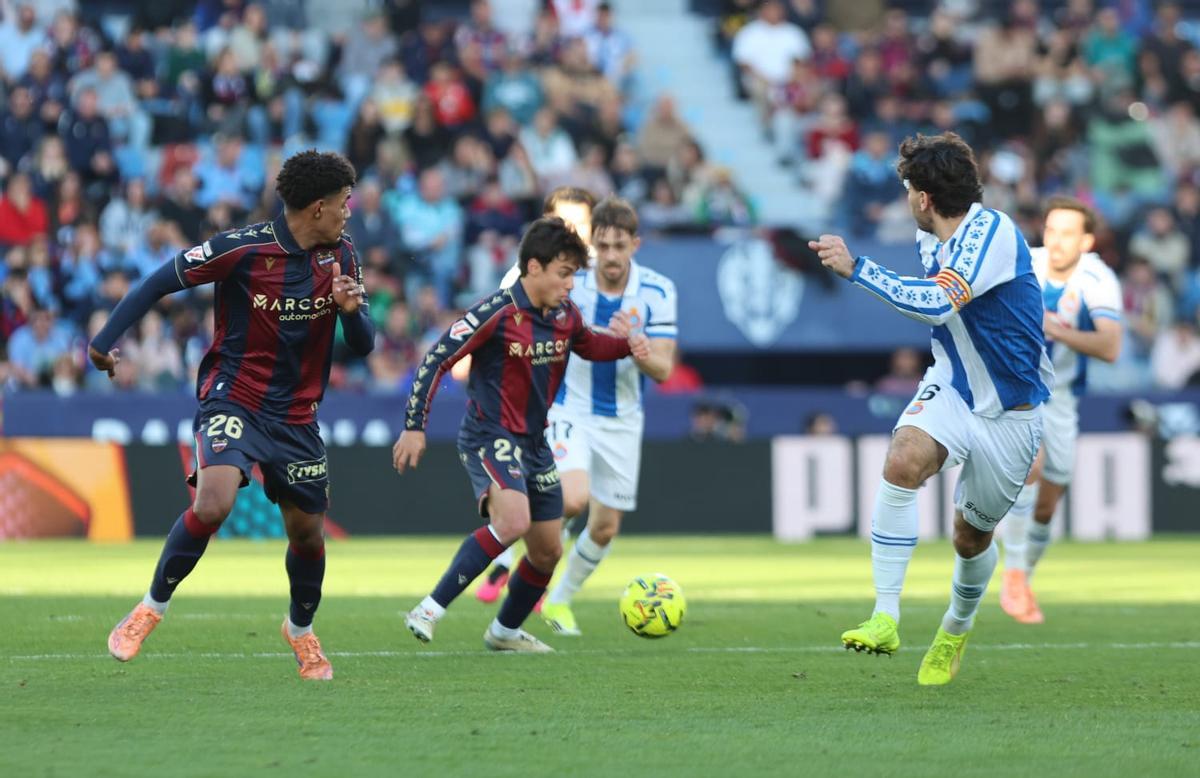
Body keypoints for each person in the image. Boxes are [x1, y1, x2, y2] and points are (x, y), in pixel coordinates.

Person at [90, 151, 374, 680]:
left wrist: (352, 313)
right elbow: (158, 282)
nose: (348, 213)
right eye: (343, 204)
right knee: (215, 501)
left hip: (297, 416)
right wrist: (103, 342)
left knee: (308, 536)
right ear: (317, 207)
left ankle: (301, 631)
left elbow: (363, 345)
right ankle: (150, 607)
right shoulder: (241, 250)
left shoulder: (342, 257)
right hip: (234, 397)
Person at [809, 132, 1051, 686]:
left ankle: (954, 628)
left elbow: (939, 301)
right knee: (902, 461)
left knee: (970, 537)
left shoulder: (990, 233)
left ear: (922, 198)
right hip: (953, 385)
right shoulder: (931, 240)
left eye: (907, 189)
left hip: (1011, 412)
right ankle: (885, 616)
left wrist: (857, 269)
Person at [393, 217, 651, 652]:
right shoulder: (495, 312)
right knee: (513, 522)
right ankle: (429, 608)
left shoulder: (565, 316)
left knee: (548, 551)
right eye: (564, 274)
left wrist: (627, 344)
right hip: (488, 435)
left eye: (573, 275)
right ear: (534, 267)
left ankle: (505, 632)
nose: (571, 285)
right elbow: (437, 357)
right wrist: (414, 426)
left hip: (534, 442)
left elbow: (590, 345)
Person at [534, 197, 677, 636]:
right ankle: (523, 573)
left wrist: (635, 342)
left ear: (636, 244)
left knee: (605, 526)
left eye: (620, 245)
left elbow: (664, 368)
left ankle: (558, 602)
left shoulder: (658, 290)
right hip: (568, 407)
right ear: (591, 243)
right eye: (603, 245)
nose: (611, 256)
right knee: (573, 498)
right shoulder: (572, 282)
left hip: (622, 417)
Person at [999, 197, 1123, 624]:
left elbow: (1110, 346)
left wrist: (1053, 328)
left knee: (1048, 504)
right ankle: (1012, 574)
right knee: (1030, 465)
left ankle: (1021, 579)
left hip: (1062, 397)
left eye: (1067, 233)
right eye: (1050, 230)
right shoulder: (1022, 263)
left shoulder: (1098, 279)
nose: (1055, 241)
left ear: (1087, 241)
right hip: (1016, 387)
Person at [475, 186, 597, 603]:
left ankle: (518, 562)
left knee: (577, 505)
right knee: (574, 497)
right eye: (565, 218)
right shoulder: (523, 278)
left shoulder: (601, 270)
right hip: (542, 403)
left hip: (586, 399)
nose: (574, 227)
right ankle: (520, 562)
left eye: (581, 219)